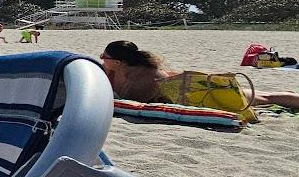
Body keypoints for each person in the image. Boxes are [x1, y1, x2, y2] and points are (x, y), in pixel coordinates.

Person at [99, 40, 299, 109]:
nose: (101, 58)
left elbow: (135, 99)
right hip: (190, 88)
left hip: (198, 91)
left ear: (119, 62)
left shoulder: (147, 76)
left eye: (104, 56)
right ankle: (288, 94)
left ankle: (292, 97)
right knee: (262, 95)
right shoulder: (112, 68)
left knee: (264, 98)